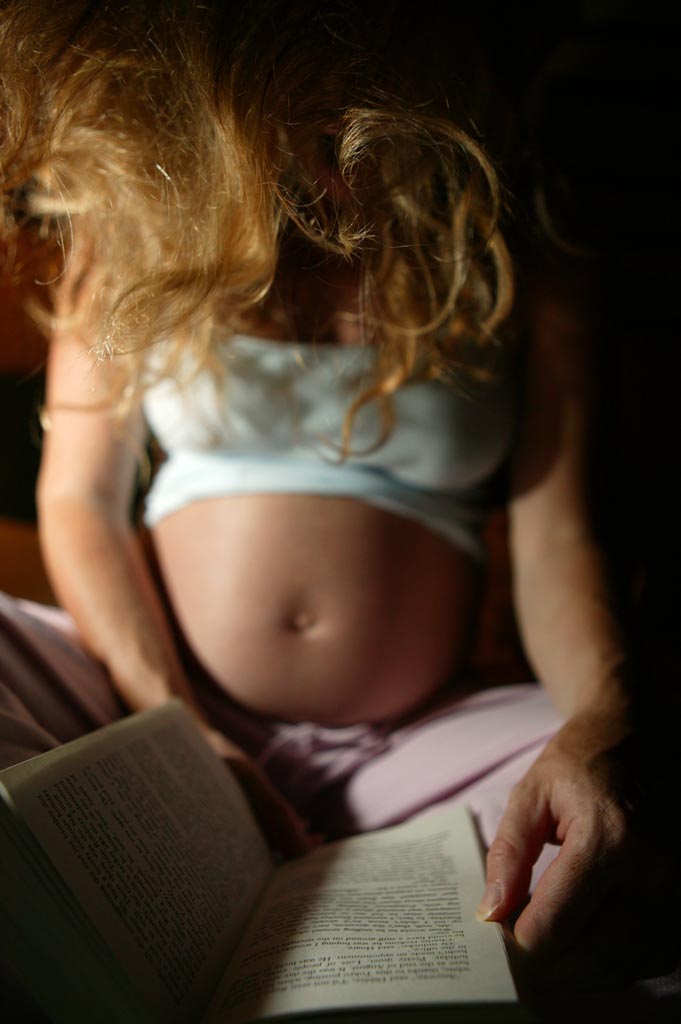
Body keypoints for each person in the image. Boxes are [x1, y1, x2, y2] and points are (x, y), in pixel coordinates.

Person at [0, 0, 678, 1003]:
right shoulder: (132, 209)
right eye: (297, 117)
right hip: (150, 703)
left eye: (359, 113)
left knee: (626, 831)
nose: (334, 158)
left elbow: (555, 538)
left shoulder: (530, 239)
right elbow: (81, 501)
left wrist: (602, 718)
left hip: (419, 744)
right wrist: (185, 733)